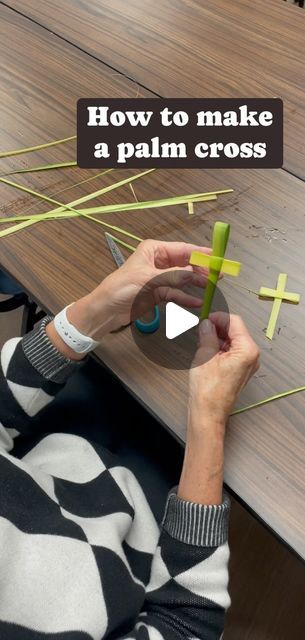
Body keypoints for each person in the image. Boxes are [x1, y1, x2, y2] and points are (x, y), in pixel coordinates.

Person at [0, 239, 259, 639]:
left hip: (48, 457)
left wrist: (96, 310)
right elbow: (184, 625)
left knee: (122, 383)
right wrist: (208, 421)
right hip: (138, 552)